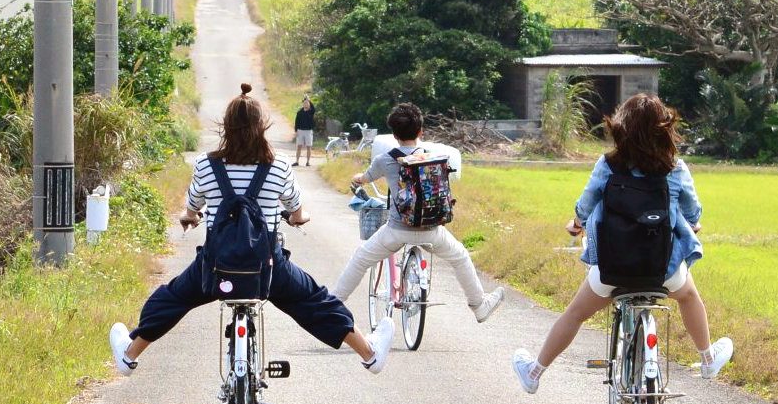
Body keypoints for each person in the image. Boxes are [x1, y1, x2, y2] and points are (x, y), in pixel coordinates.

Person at [109, 83, 394, 379]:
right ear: (262, 127)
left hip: (215, 268)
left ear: (226, 127)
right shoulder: (278, 165)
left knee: (171, 298)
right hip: (267, 270)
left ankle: (129, 354)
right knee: (315, 301)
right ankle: (369, 354)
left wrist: (189, 216)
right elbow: (297, 210)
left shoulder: (206, 166)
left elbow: (193, 205)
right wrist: (298, 218)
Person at [512, 93, 733, 394]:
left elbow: (585, 206)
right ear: (664, 129)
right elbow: (693, 213)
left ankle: (535, 372)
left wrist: (576, 226)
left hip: (612, 271)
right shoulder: (675, 168)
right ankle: (707, 359)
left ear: (621, 128)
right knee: (689, 296)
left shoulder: (608, 165)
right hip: (663, 271)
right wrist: (693, 225)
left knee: (575, 314)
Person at [331, 102, 505, 322]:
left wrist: (358, 178)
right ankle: (479, 305)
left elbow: (365, 178)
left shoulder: (384, 160)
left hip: (396, 231)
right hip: (431, 230)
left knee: (361, 258)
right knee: (460, 256)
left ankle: (332, 304)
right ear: (421, 131)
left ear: (394, 135)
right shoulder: (434, 157)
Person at [293, 95, 315, 167]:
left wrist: (309, 100)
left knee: (309, 147)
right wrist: (296, 131)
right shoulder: (299, 112)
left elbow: (313, 108)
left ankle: (308, 162)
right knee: (299, 146)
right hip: (300, 131)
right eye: (304, 103)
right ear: (303, 104)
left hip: (308, 131)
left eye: (307, 103)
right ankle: (297, 161)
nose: (306, 104)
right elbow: (296, 122)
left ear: (309, 104)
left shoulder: (311, 112)